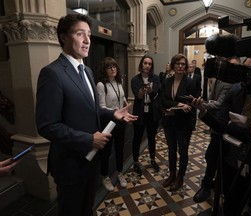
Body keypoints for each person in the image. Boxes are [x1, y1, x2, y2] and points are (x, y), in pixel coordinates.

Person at [36, 14, 137, 216]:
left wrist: (113, 114)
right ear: (63, 37)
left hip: (91, 160)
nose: (87, 40)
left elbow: (90, 110)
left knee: (87, 209)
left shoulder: (88, 71)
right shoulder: (52, 73)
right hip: (70, 163)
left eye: (89, 35)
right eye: (79, 34)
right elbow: (47, 125)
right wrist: (88, 139)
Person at [193, 57, 240, 203]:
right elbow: (214, 99)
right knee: (211, 156)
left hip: (234, 130)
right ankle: (207, 186)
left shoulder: (236, 86)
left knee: (226, 162)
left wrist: (203, 106)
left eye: (235, 67)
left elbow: (219, 104)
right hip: (216, 125)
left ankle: (222, 190)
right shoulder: (219, 79)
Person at [160, 54, 200, 191]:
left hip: (184, 122)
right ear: (173, 65)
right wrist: (178, 104)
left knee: (182, 151)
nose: (180, 66)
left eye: (183, 64)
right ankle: (172, 174)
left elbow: (191, 103)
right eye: (177, 63)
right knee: (171, 150)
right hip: (169, 121)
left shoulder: (190, 82)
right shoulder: (166, 81)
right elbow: (163, 100)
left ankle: (180, 177)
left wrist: (183, 106)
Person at [96, 57, 128, 192]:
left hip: (120, 121)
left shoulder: (118, 82)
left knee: (120, 148)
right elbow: (101, 108)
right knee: (106, 151)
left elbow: (122, 98)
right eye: (109, 67)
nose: (113, 69)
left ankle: (120, 172)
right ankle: (104, 176)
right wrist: (117, 112)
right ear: (104, 70)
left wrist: (126, 106)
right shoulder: (101, 85)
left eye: (114, 66)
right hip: (108, 123)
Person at [131, 55, 161, 176]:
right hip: (139, 112)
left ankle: (152, 159)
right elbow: (138, 97)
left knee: (152, 137)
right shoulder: (135, 80)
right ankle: (136, 161)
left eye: (149, 64)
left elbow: (156, 96)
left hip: (152, 112)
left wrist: (151, 91)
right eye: (145, 63)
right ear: (141, 65)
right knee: (137, 138)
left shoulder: (156, 78)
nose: (147, 66)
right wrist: (142, 91)